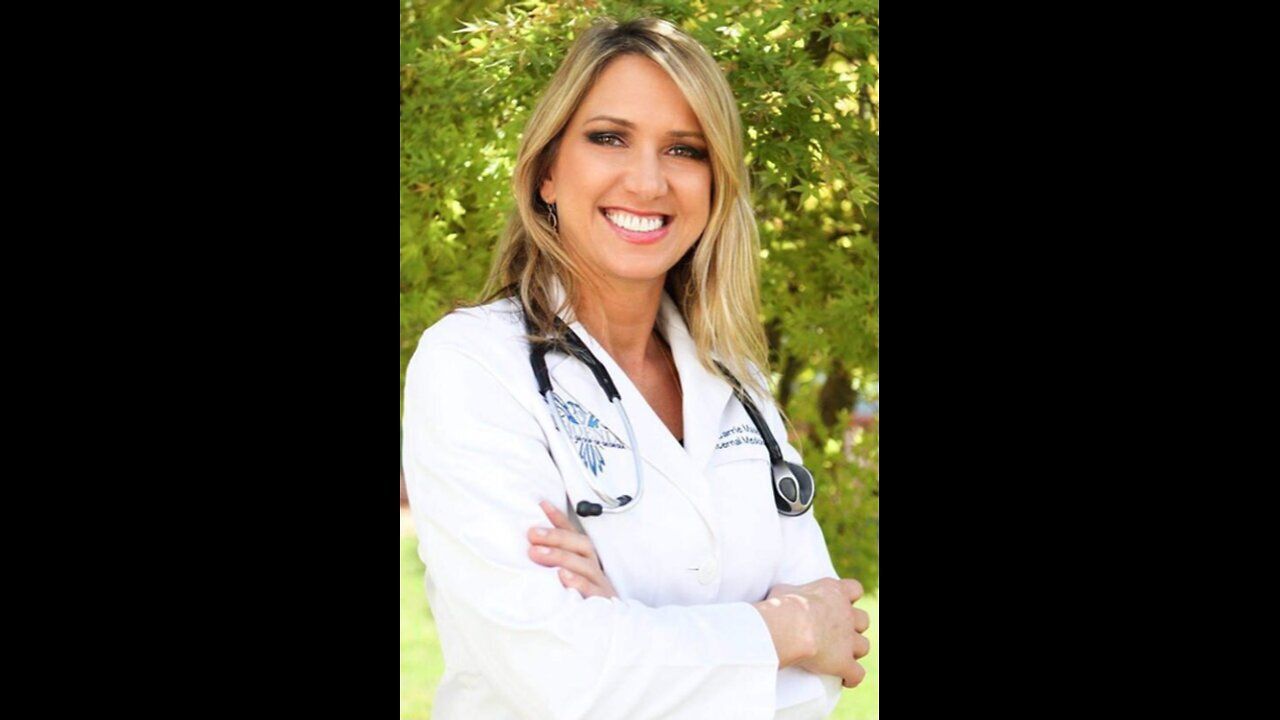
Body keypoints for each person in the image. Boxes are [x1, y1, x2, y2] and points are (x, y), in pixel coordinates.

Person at [402, 16, 870, 720]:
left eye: (685, 149)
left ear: (715, 184)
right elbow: (560, 674)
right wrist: (786, 632)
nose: (648, 181)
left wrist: (627, 626)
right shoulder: (473, 365)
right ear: (548, 171)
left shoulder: (735, 380)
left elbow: (830, 667)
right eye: (609, 138)